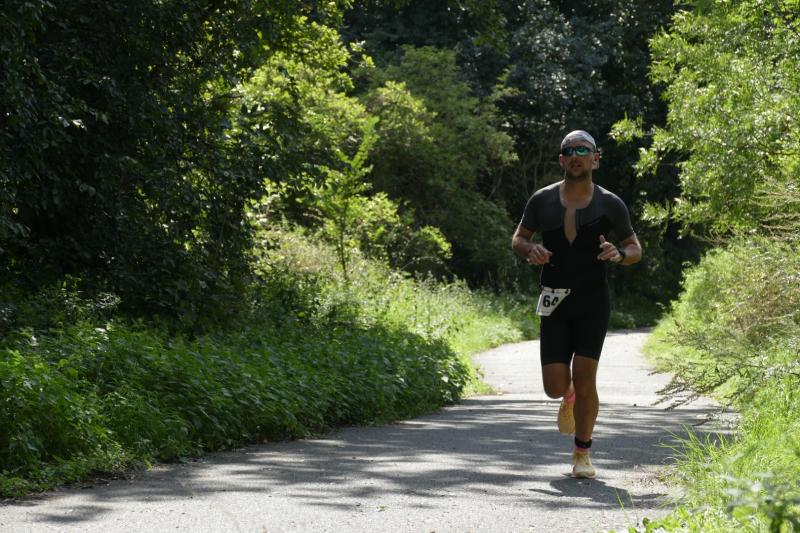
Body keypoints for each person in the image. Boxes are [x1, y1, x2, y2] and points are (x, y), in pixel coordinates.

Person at [511, 130, 642, 478]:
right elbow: (518, 238)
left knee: (586, 379)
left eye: (583, 151)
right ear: (561, 160)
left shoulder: (610, 203)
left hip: (592, 302)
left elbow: (635, 249)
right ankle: (566, 396)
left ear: (595, 159)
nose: (576, 156)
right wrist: (530, 249)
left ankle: (582, 454)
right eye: (569, 151)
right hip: (554, 301)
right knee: (554, 386)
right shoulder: (542, 200)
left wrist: (618, 254)